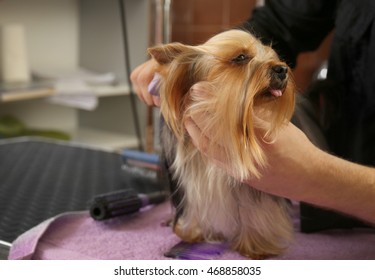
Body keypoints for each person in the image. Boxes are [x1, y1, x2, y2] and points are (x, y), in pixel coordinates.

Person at [131, 0, 375, 224]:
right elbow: (277, 23)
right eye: (240, 59)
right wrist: (197, 60)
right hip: (343, 187)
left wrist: (318, 176)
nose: (278, 68)